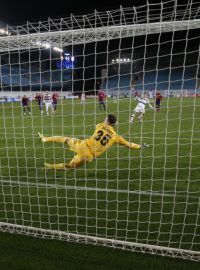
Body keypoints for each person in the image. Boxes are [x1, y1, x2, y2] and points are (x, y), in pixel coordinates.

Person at [38, 114, 149, 170]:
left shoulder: (100, 125)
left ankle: (45, 139)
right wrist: (140, 146)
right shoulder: (116, 137)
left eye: (105, 118)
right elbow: (129, 145)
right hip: (88, 156)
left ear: (107, 121)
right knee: (70, 166)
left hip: (82, 145)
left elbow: (99, 126)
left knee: (66, 139)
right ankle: (49, 166)